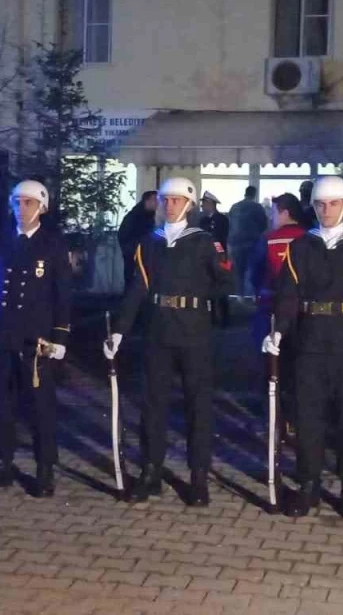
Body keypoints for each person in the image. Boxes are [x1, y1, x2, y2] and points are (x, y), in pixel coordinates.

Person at [262, 177, 343, 520]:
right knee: (308, 414)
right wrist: (280, 331)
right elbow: (288, 294)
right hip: (310, 337)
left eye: (334, 203)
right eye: (320, 204)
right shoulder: (302, 245)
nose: (327, 209)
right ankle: (309, 485)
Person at [104, 177, 233, 505]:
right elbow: (138, 288)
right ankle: (151, 471)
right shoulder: (150, 242)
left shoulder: (204, 241)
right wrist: (119, 329)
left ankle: (198, 476)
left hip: (193, 331)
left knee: (198, 405)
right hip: (158, 330)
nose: (170, 205)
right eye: (166, 200)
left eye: (177, 200)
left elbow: (225, 281)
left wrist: (195, 295)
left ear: (189, 205)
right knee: (153, 404)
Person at [0, 181, 72, 498]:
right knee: (1, 403)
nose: (21, 209)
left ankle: (44, 469)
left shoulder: (53, 244)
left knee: (41, 406)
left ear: (42, 207)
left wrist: (60, 336)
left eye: (28, 203)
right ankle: (0, 465)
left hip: (36, 338)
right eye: (17, 203)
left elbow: (62, 294)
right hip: (3, 333)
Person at [249, 194, 307, 435]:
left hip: (270, 310)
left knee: (269, 366)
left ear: (285, 212)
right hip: (302, 313)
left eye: (274, 212)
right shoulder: (309, 238)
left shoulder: (269, 239)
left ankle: (273, 420)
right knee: (298, 367)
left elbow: (255, 273)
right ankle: (296, 419)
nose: (271, 217)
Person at [228, 186, 269, 297]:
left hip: (236, 244)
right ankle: (250, 298)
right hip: (252, 244)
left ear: (245, 193)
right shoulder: (258, 207)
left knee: (238, 272)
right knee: (251, 272)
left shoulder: (235, 207)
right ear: (254, 195)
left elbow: (229, 225)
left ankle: (239, 297)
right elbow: (264, 225)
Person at [198, 191, 232, 327]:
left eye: (204, 203)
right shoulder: (203, 221)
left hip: (220, 256)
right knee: (208, 286)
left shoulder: (222, 219)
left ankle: (225, 318)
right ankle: (211, 317)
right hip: (205, 257)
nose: (202, 206)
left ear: (211, 204)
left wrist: (220, 255)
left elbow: (220, 238)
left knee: (222, 286)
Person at [118, 191, 157, 291]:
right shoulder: (135, 216)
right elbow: (124, 235)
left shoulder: (149, 215)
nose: (157, 203)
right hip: (134, 252)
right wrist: (133, 249)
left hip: (143, 252)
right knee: (133, 279)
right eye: (154, 200)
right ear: (147, 201)